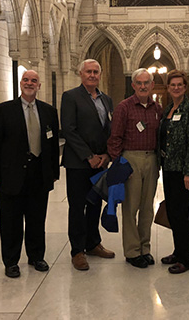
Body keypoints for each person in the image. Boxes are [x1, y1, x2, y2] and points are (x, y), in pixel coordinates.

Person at [0, 70, 59, 278]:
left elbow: (53, 144)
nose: (30, 83)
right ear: (20, 84)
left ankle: (37, 256)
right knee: (11, 221)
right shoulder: (3, 111)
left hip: (39, 174)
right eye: (26, 80)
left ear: (39, 85)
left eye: (34, 80)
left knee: (37, 218)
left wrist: (53, 172)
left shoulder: (48, 111)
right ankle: (11, 261)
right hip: (11, 175)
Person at [61, 59, 116, 271]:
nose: (92, 75)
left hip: (101, 163)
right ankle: (77, 251)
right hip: (78, 163)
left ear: (100, 75)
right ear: (81, 74)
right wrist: (88, 156)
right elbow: (69, 129)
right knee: (77, 207)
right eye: (89, 72)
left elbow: (109, 131)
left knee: (95, 204)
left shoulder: (107, 100)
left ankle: (93, 243)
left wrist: (106, 155)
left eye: (96, 72)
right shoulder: (71, 97)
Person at [107, 68, 163, 269]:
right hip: (130, 158)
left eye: (146, 83)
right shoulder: (124, 107)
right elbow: (115, 137)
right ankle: (132, 251)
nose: (142, 86)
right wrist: (119, 163)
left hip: (152, 159)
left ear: (152, 85)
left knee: (147, 207)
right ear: (133, 85)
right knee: (131, 208)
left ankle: (145, 248)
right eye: (138, 83)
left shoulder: (157, 108)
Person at [158, 70, 189, 274]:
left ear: (185, 87)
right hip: (168, 169)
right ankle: (179, 251)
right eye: (172, 85)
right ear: (168, 87)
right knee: (173, 214)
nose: (176, 88)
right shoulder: (168, 109)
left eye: (180, 85)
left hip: (182, 172)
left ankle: (188, 258)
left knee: (181, 214)